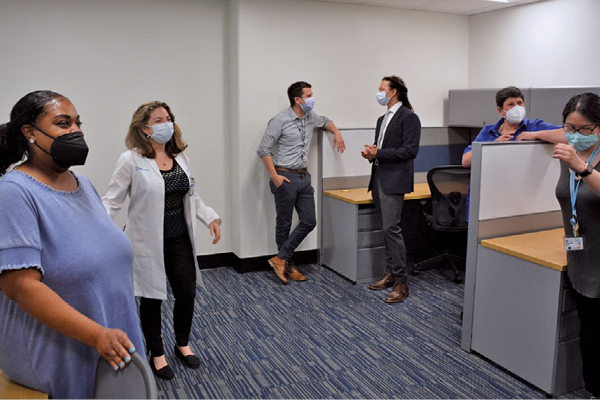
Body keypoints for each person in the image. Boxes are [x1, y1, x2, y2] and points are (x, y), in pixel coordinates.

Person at [0, 91, 143, 399]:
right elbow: (20, 286)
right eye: (63, 123)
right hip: (63, 352)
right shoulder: (14, 192)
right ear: (29, 133)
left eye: (78, 123)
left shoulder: (84, 185)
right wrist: (97, 335)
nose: (75, 131)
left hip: (107, 339)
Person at [102, 101, 221, 380]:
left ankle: (182, 344)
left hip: (178, 237)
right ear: (144, 128)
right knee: (152, 297)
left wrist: (210, 218)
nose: (166, 123)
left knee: (187, 293)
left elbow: (191, 195)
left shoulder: (179, 157)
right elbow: (112, 201)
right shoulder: (131, 159)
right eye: (158, 119)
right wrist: (95, 230)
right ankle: (157, 354)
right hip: (145, 240)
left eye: (168, 118)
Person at [257, 81, 345, 283]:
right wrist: (275, 176)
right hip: (285, 177)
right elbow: (263, 149)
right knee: (284, 223)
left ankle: (280, 259)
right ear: (297, 99)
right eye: (308, 95)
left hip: (304, 177)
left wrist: (337, 132)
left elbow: (325, 121)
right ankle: (287, 265)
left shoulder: (310, 116)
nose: (312, 99)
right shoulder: (279, 120)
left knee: (309, 221)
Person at [553, 92, 600, 399]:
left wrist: (583, 168)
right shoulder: (567, 154)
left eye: (585, 129)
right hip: (582, 258)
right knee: (591, 334)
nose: (576, 135)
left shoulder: (578, 160)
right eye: (570, 127)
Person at [362, 76, 421, 303]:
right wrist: (372, 153)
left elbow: (409, 151)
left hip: (394, 180)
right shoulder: (382, 119)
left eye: (381, 89)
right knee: (386, 230)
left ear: (393, 91)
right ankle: (389, 274)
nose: (378, 92)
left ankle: (401, 282)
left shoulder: (409, 117)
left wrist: (380, 154)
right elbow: (385, 149)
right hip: (379, 177)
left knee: (392, 229)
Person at [462, 86, 563, 168]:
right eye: (511, 104)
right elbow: (466, 162)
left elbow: (568, 135)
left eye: (520, 103)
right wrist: (493, 146)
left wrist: (535, 134)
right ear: (500, 110)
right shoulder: (487, 131)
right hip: (486, 187)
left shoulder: (533, 127)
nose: (517, 108)